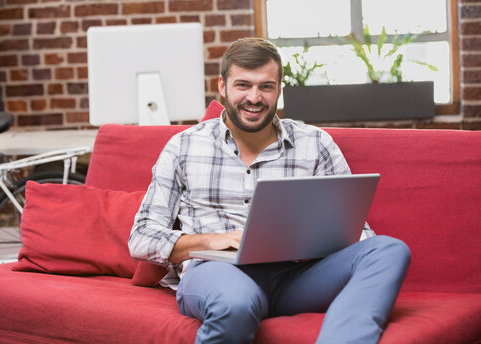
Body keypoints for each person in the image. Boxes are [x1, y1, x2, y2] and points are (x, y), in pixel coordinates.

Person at [129, 37, 411, 344]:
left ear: (279, 90)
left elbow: (355, 231)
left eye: (266, 86)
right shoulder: (184, 145)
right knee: (235, 302)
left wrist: (328, 239)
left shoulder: (315, 143)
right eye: (243, 85)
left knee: (389, 249)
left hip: (296, 278)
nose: (254, 97)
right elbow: (142, 236)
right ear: (222, 87)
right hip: (217, 274)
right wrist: (213, 241)